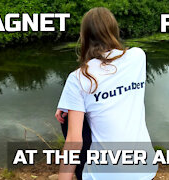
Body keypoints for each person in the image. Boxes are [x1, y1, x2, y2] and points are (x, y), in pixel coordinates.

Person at [55, 7, 157, 180]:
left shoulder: (78, 78)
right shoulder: (138, 57)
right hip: (144, 168)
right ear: (113, 31)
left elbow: (74, 141)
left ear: (84, 36)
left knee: (70, 124)